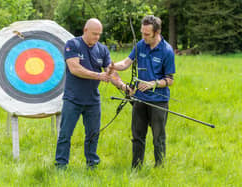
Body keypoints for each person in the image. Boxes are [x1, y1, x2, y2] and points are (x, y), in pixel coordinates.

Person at [55, 18, 132, 169]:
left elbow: (110, 72)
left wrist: (123, 87)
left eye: (99, 34)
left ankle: (92, 165)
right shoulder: (73, 44)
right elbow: (75, 68)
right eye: (94, 34)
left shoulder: (102, 49)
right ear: (85, 30)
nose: (97, 37)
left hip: (92, 100)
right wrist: (98, 76)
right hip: (73, 99)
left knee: (93, 134)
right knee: (65, 134)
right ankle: (61, 165)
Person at [111, 15, 175, 168]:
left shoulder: (167, 51)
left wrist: (153, 84)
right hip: (139, 99)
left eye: (147, 34)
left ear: (157, 32)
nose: (143, 37)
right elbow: (126, 63)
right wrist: (112, 65)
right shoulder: (140, 45)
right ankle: (136, 167)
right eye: (142, 33)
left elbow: (170, 80)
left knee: (158, 137)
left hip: (159, 101)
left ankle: (159, 168)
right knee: (137, 136)